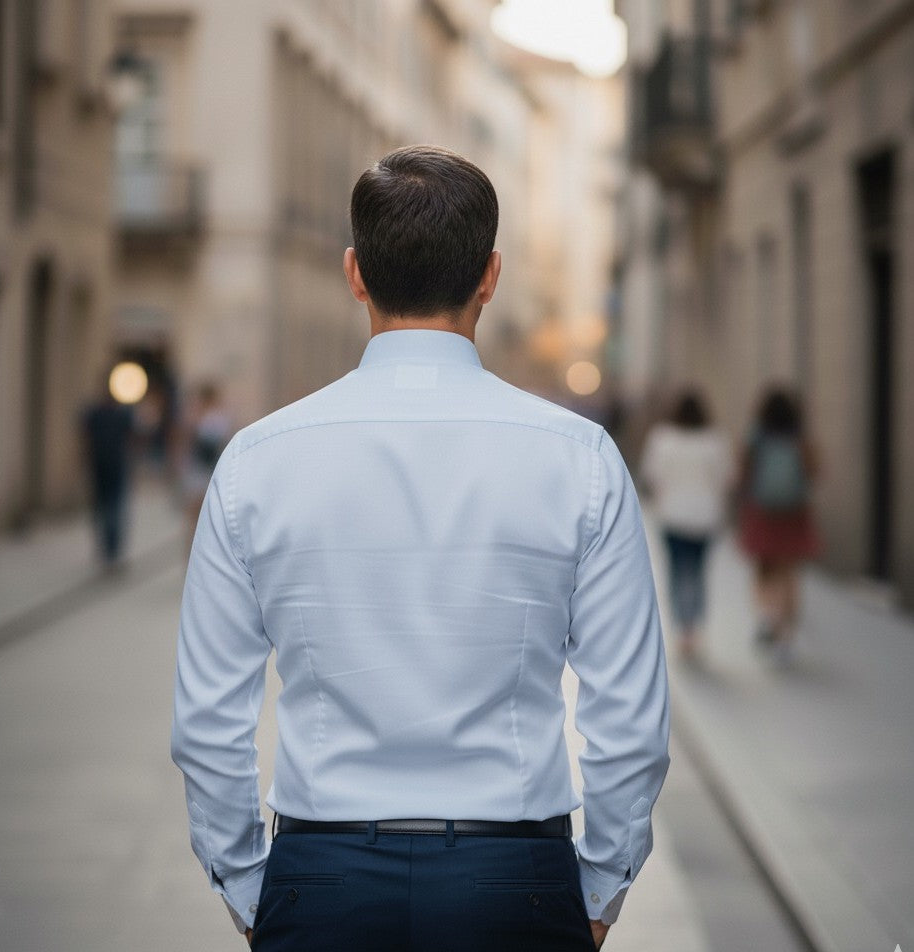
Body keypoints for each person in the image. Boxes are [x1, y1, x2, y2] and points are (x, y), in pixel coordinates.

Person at [171, 145, 670, 952]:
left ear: (354, 273)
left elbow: (207, 720)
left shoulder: (258, 459)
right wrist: (602, 885)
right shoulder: (582, 459)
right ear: (491, 276)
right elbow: (631, 718)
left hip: (320, 872)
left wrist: (249, 885)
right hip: (516, 878)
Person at [640, 389, 733, 660]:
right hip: (705, 516)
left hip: (673, 515)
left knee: (676, 571)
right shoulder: (714, 440)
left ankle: (682, 628)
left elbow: (651, 475)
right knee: (698, 571)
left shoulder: (663, 438)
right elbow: (726, 478)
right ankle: (693, 626)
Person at [737, 387, 821, 666]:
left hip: (762, 510)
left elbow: (743, 473)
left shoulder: (756, 437)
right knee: (789, 572)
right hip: (794, 512)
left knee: (764, 568)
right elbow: (814, 471)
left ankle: (767, 617)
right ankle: (785, 636)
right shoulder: (800, 439)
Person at [80, 369, 136, 569]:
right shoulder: (95, 412)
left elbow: (131, 439)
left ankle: (111, 550)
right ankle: (107, 550)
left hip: (114, 466)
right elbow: (85, 437)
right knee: (104, 509)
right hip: (101, 466)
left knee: (111, 509)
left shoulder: (121, 412)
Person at [174, 380, 235, 550]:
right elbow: (184, 440)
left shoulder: (217, 417)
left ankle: (199, 549)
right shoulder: (196, 415)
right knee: (194, 515)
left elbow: (220, 440)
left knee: (203, 515)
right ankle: (193, 551)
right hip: (197, 468)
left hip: (208, 468)